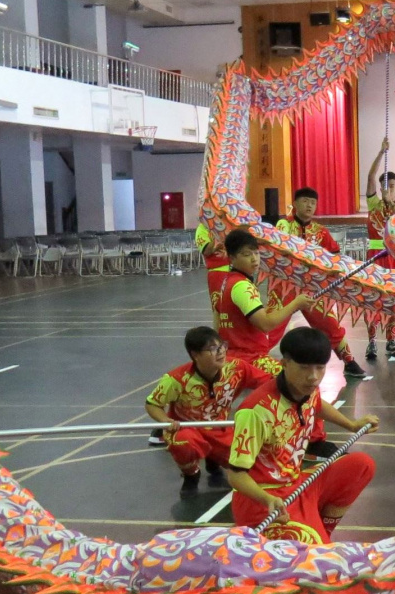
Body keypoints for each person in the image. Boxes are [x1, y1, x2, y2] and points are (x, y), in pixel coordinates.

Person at [226, 328, 380, 544]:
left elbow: (317, 404)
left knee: (361, 465)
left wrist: (352, 425)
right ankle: (313, 534)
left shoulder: (306, 389)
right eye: (304, 368)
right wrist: (267, 499)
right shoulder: (256, 412)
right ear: (285, 364)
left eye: (320, 368)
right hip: (264, 501)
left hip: (297, 484)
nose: (313, 376)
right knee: (321, 561)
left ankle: (321, 531)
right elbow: (236, 475)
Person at [144, 327, 273, 497]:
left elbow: (268, 383)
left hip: (220, 429)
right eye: (212, 349)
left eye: (221, 346)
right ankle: (191, 475)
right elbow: (152, 403)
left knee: (254, 464)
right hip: (187, 430)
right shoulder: (176, 379)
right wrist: (166, 421)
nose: (220, 352)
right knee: (183, 442)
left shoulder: (236, 368)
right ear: (195, 355)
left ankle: (214, 457)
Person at [273, 187, 367, 378]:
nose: (309, 205)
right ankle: (252, 362)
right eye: (305, 201)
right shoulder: (282, 225)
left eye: (313, 202)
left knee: (330, 325)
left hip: (312, 289)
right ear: (296, 203)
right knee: (271, 326)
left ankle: (349, 361)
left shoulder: (320, 232)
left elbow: (335, 256)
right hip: (284, 287)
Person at [212, 228, 312, 374]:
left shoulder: (226, 282)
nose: (254, 259)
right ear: (232, 258)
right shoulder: (242, 286)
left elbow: (217, 324)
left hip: (232, 357)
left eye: (256, 253)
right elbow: (265, 324)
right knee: (298, 377)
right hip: (250, 360)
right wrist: (296, 303)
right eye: (247, 254)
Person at [363, 138, 395, 361]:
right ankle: (371, 343)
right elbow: (370, 177)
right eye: (385, 186)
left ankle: (391, 341)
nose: (387, 189)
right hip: (374, 262)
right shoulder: (373, 205)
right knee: (373, 303)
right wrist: (381, 153)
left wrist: (393, 204)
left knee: (394, 303)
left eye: (392, 186)